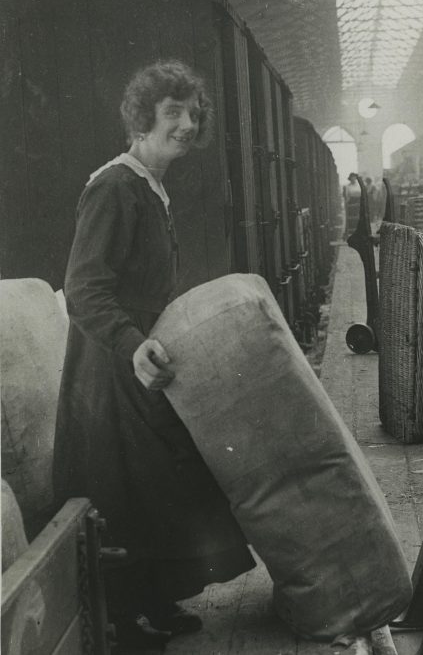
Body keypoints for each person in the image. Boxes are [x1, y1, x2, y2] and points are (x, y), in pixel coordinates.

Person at [53, 60, 255, 649]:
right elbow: (84, 287)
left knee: (156, 484)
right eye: (173, 113)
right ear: (143, 119)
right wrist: (130, 344)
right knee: (124, 486)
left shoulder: (150, 186)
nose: (187, 124)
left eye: (193, 113)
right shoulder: (115, 186)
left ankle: (152, 603)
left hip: (139, 356)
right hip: (110, 364)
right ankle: (121, 621)